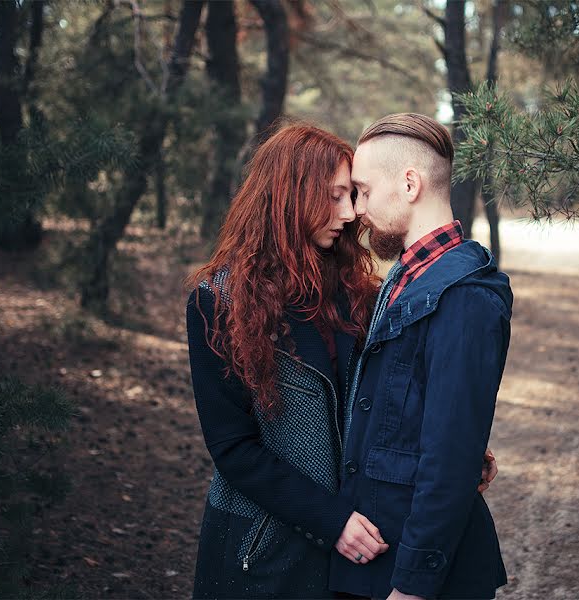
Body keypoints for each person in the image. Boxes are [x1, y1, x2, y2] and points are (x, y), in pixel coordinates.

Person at [185, 123, 498, 599]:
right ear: (290, 197)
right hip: (263, 547)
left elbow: (391, 399)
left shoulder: (360, 294)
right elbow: (231, 447)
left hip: (357, 550)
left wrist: (456, 450)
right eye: (334, 197)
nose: (351, 213)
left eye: (353, 194)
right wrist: (330, 521)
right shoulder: (219, 301)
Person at [329, 113, 512, 600]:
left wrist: (413, 585)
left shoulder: (464, 296)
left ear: (409, 183)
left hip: (420, 579)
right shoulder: (403, 277)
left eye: (364, 190)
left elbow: (450, 458)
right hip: (377, 558)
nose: (356, 209)